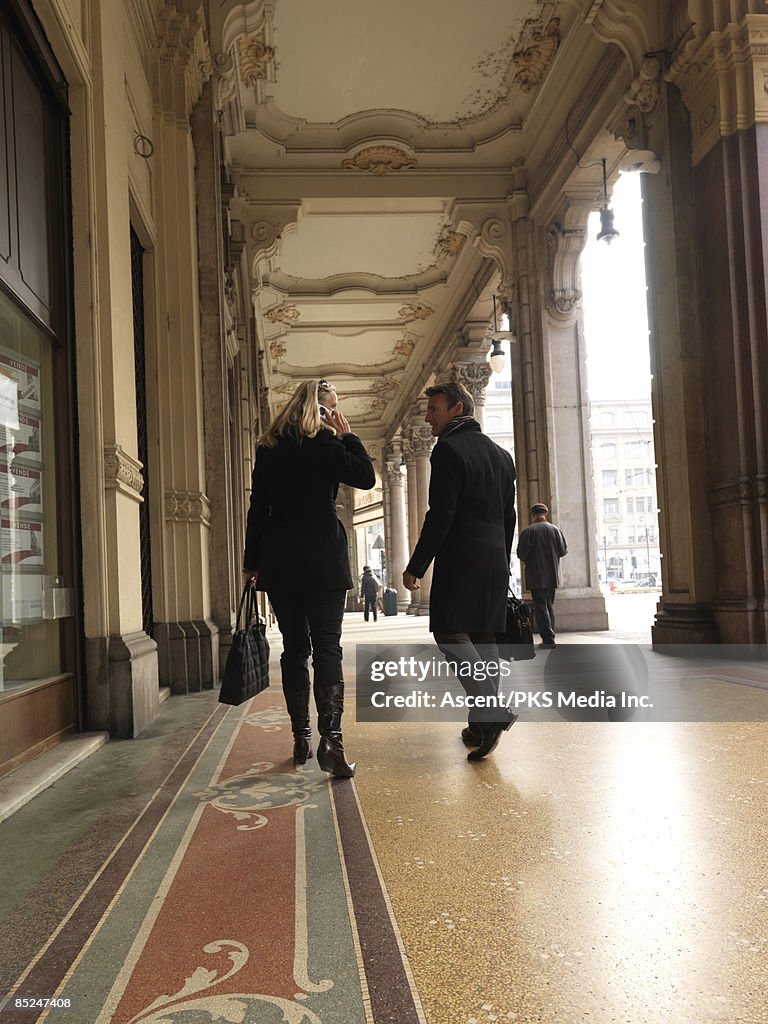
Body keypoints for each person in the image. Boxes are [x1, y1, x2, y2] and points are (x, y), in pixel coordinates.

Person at [242, 379, 375, 776]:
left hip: (281, 560)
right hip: (323, 559)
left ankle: (300, 737)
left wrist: (252, 563)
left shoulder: (268, 449)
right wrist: (349, 436)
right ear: (323, 410)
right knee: (328, 650)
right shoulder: (329, 444)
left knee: (295, 650)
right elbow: (366, 477)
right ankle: (331, 743)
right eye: (332, 408)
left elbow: (257, 511)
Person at [402, 381, 517, 761]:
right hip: (494, 561)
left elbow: (441, 514)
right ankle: (481, 727)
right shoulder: (503, 456)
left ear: (456, 409)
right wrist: (504, 558)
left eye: (434, 408)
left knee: (449, 630)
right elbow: (508, 516)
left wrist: (417, 565)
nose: (427, 416)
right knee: (485, 643)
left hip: (462, 560)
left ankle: (491, 709)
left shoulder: (448, 450)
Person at [516, 503, 568, 648]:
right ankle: (550, 636)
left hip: (535, 574)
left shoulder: (528, 531)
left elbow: (521, 553)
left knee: (540, 605)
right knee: (549, 605)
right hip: (552, 574)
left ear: (532, 514)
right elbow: (563, 551)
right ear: (546, 513)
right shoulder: (556, 530)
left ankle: (548, 639)